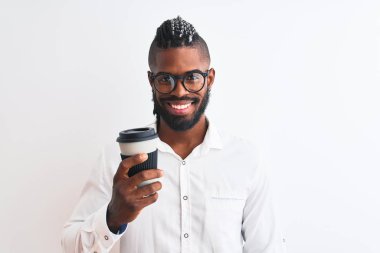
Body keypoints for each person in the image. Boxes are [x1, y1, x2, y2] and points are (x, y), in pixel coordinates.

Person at [62, 16, 286, 253]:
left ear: (209, 79)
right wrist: (113, 217)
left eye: (192, 78)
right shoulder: (116, 159)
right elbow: (70, 246)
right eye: (166, 79)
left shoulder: (246, 159)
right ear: (151, 81)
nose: (179, 92)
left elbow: (268, 248)